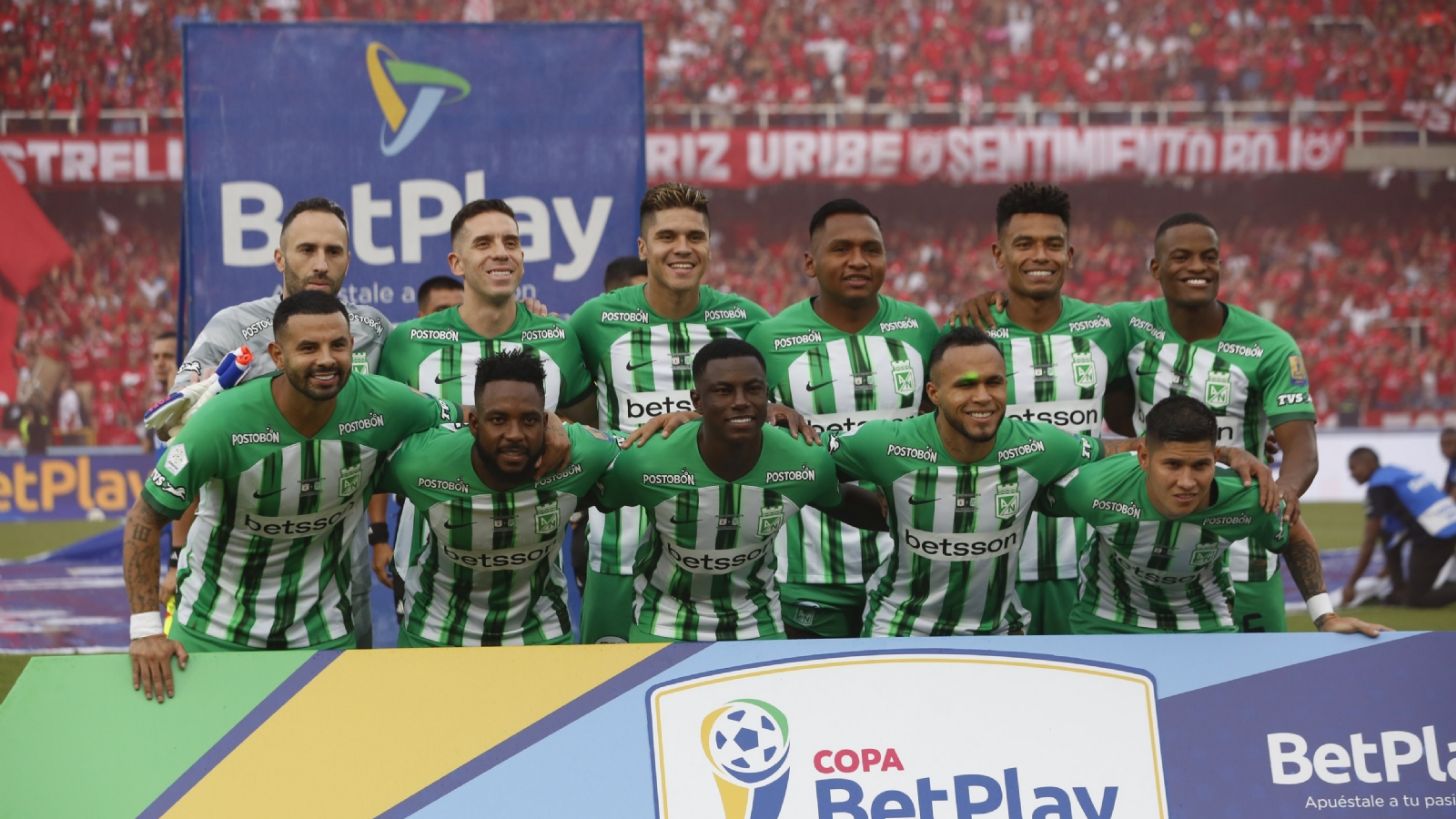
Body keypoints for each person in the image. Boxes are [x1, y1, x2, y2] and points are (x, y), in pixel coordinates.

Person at [827, 327, 1273, 636]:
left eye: (994, 382)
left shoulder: (1038, 445)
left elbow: (1131, 448)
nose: (982, 396)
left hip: (999, 633)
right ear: (934, 393)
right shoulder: (886, 444)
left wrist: (1221, 453)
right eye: (965, 385)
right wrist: (876, 508)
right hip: (898, 628)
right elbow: (814, 474)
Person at [123, 293, 459, 702]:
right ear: (277, 356)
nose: (326, 359)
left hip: (322, 636)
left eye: (338, 345)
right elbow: (144, 519)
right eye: (308, 348)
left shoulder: (384, 404)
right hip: (213, 632)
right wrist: (145, 631)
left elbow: (467, 421)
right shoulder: (222, 421)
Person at [162, 197, 394, 648]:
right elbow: (173, 423)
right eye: (307, 250)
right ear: (280, 258)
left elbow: (417, 405)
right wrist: (209, 398)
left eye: (333, 251)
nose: (321, 263)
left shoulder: (375, 330)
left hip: (337, 581)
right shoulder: (233, 328)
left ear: (348, 260)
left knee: (343, 691)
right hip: (233, 581)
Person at [569, 183, 771, 642]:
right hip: (619, 545)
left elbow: (769, 417)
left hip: (720, 556)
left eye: (695, 237)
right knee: (610, 681)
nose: (683, 248)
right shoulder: (594, 320)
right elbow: (565, 414)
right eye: (667, 237)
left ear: (709, 247)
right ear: (643, 248)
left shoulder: (749, 322)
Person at [592, 338, 885, 642]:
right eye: (724, 391)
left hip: (758, 622)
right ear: (697, 401)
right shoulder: (646, 462)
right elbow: (597, 496)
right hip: (663, 619)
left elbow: (843, 501)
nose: (741, 401)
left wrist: (902, 514)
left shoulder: (805, 460)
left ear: (767, 395)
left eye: (753, 389)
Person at [375, 200, 593, 601]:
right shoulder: (408, 341)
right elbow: (380, 446)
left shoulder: (559, 338)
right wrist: (378, 534)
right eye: (484, 243)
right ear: (456, 263)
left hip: (533, 582)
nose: (500, 252)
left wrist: (561, 426)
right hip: (430, 579)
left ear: (522, 257)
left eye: (511, 242)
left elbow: (590, 431)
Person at [745, 198, 937, 638]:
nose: (858, 261)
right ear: (810, 263)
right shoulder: (769, 338)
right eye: (841, 249)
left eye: (871, 249)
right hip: (807, 572)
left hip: (908, 570)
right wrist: (764, 412)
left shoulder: (920, 329)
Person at [1039, 396, 1386, 636]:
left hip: (1203, 626)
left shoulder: (1246, 496)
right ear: (1144, 458)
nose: (1187, 482)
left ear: (1215, 459)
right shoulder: (1095, 487)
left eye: (1200, 466)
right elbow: (1035, 501)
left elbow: (1294, 536)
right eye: (1172, 465)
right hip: (1105, 624)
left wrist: (1325, 616)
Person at [956, 182, 1127, 635]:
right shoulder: (967, 335)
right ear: (999, 254)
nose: (1040, 256)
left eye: (1053, 244)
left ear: (1070, 255)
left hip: (1090, 562)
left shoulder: (1107, 327)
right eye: (1024, 244)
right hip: (993, 563)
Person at [377, 350, 619, 646]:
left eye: (529, 420)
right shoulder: (421, 462)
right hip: (434, 636)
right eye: (498, 419)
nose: (514, 434)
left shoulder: (582, 454)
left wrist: (675, 422)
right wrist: (377, 534)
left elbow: (652, 457)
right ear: (474, 423)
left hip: (542, 637)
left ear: (546, 422)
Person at [1344, 447, 1456, 608]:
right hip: (1447, 523)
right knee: (1387, 533)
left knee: (1417, 600)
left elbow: (1370, 541)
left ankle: (1403, 590)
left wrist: (1351, 584)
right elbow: (1392, 534)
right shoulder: (1394, 473)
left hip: (1435, 535)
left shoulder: (1379, 486)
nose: (1351, 474)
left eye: (1353, 467)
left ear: (1368, 463)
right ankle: (1398, 589)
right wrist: (1388, 568)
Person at [1441, 428, 1456, 499]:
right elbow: (1446, 488)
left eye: (1449, 443)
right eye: (1443, 444)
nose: (1445, 448)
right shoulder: (1453, 462)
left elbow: (1453, 497)